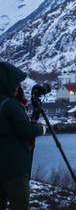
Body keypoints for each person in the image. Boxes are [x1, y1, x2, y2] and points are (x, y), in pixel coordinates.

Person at [0, 62, 43, 210]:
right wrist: (41, 129)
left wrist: (33, 119)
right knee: (20, 205)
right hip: (14, 168)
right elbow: (25, 130)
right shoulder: (11, 104)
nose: (19, 87)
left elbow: (12, 127)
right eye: (16, 83)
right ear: (8, 83)